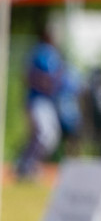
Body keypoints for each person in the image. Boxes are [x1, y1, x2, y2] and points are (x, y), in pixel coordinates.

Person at [14, 25, 67, 181]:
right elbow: (33, 76)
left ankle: (26, 165)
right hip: (38, 100)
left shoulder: (51, 53)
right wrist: (46, 81)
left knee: (49, 136)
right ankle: (26, 166)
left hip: (46, 101)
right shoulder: (42, 52)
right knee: (44, 135)